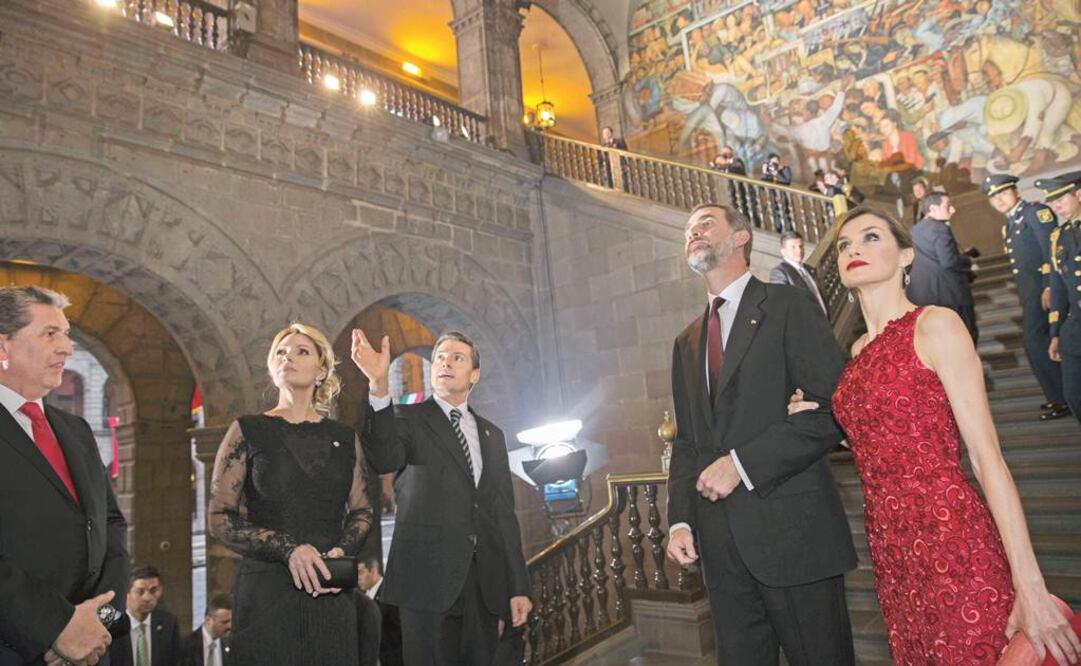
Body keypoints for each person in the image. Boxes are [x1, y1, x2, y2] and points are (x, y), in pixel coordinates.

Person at [788, 206, 1081, 665]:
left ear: (906, 255)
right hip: (893, 552)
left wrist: (1030, 586)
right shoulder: (858, 351)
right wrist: (821, 416)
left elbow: (987, 458)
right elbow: (887, 436)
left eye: (870, 237)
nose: (852, 250)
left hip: (951, 535)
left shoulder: (935, 324)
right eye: (844, 245)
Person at [665, 203, 857, 666]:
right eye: (688, 228)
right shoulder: (686, 341)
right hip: (721, 550)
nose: (693, 231)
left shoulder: (788, 306)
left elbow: (833, 410)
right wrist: (680, 521)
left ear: (741, 237)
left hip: (795, 534)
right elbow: (687, 442)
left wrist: (741, 465)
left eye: (705, 222)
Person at [350, 330, 532, 666]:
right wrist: (378, 385)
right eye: (440, 357)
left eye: (457, 357)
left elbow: (503, 515)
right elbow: (382, 457)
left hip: (484, 586)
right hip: (426, 582)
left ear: (474, 375)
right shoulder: (407, 418)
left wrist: (518, 586)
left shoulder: (493, 435)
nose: (445, 362)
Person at [208, 323, 374, 666]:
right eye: (280, 352)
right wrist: (287, 548)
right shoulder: (248, 430)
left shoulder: (344, 437)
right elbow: (220, 517)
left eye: (301, 351)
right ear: (272, 367)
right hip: (267, 593)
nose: (288, 357)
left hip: (330, 591)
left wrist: (341, 552)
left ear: (321, 370)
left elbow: (362, 511)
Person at [0, 286, 128, 666]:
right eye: (50, 334)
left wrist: (98, 622)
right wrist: (55, 629)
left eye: (67, 334)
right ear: (3, 347)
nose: (67, 348)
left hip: (94, 648)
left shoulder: (76, 430)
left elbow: (111, 525)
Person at [983, 174, 1069, 420]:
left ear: (1016, 192)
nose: (999, 200)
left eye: (1003, 193)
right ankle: (1058, 397)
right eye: (994, 197)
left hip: (1044, 290)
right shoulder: (1010, 223)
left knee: (1036, 342)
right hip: (1030, 293)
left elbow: (1051, 251)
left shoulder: (1034, 213)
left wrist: (1049, 286)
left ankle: (1062, 398)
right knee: (1036, 344)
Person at [907, 192, 978, 343]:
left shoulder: (914, 231)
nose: (953, 210)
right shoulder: (940, 228)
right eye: (948, 206)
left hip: (925, 298)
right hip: (952, 296)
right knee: (966, 341)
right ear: (932, 209)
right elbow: (948, 261)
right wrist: (968, 261)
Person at [1041, 172, 1081, 424]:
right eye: (1052, 201)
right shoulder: (1058, 237)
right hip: (1074, 328)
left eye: (1060, 199)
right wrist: (1055, 333)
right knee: (1074, 395)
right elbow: (1059, 289)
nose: (1056, 206)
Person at [109, 566, 180, 666]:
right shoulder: (111, 627)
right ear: (126, 593)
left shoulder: (168, 624)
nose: (147, 598)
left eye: (153, 591)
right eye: (140, 591)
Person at [769, 231, 828, 316]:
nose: (799, 250)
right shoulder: (779, 273)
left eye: (801, 246)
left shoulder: (810, 269)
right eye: (793, 247)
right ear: (783, 251)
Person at [358, 557, 402, 666]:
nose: (358, 578)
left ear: (373, 571)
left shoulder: (389, 594)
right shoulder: (361, 598)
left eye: (361, 572)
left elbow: (398, 633)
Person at [178, 594, 232, 666]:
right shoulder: (186, 645)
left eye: (230, 621)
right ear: (208, 620)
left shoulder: (231, 645)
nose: (229, 626)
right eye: (224, 622)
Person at [760, 153, 793, 232]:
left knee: (785, 213)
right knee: (774, 211)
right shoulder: (769, 170)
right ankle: (778, 229)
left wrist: (777, 174)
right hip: (772, 194)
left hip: (782, 195)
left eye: (776, 162)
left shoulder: (785, 169)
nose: (775, 164)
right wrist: (765, 173)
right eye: (772, 163)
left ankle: (788, 230)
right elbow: (762, 184)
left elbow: (787, 181)